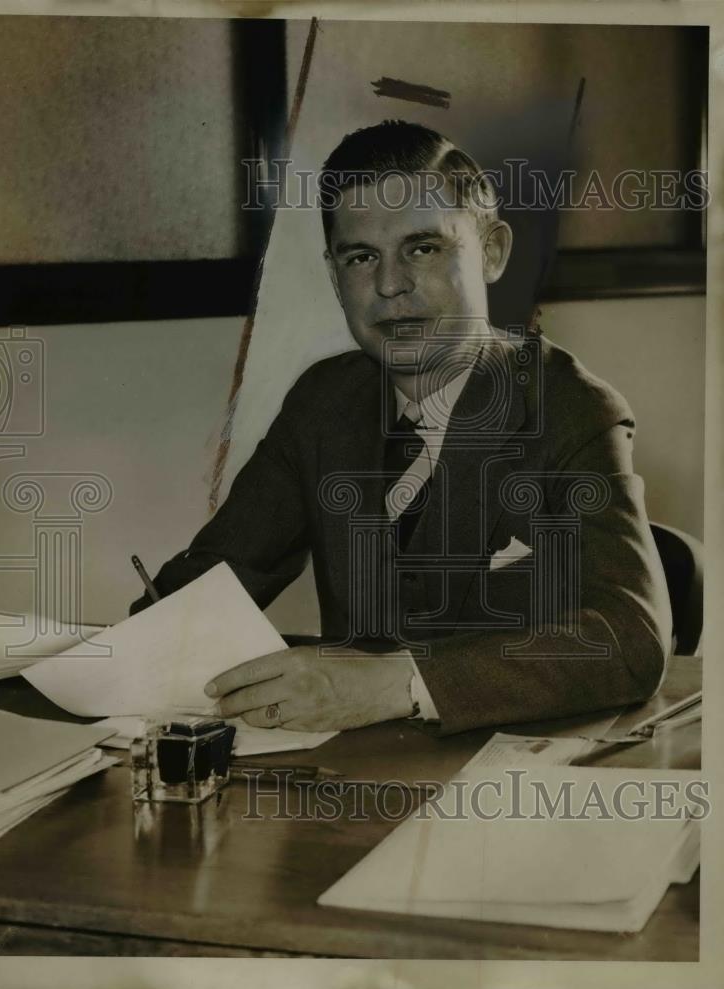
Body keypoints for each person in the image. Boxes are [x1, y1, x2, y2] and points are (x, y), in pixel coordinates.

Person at [131, 120, 671, 736]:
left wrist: (396, 683)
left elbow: (630, 638)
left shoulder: (571, 407)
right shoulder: (324, 402)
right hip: (350, 781)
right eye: (361, 257)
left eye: (424, 248)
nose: (390, 286)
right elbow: (215, 579)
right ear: (335, 275)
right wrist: (132, 647)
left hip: (509, 782)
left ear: (491, 252)